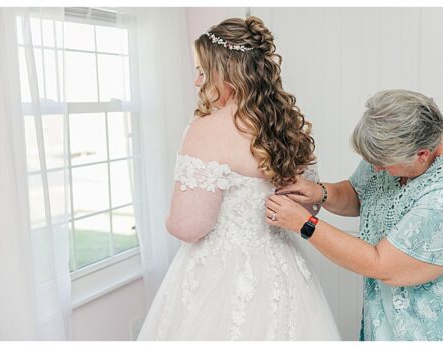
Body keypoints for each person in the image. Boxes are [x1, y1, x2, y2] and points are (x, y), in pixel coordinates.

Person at [138, 17, 340, 340]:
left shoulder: (206, 131)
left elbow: (189, 227)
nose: (197, 82)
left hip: (221, 280)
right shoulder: (288, 127)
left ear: (227, 76)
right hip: (282, 274)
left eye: (203, 71)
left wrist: (167, 218)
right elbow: (309, 208)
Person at [267, 89, 443, 340]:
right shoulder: (402, 138)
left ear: (422, 154)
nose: (376, 168)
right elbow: (361, 194)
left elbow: (383, 264)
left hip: (441, 328)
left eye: (383, 164)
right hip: (388, 318)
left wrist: (305, 224)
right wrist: (320, 192)